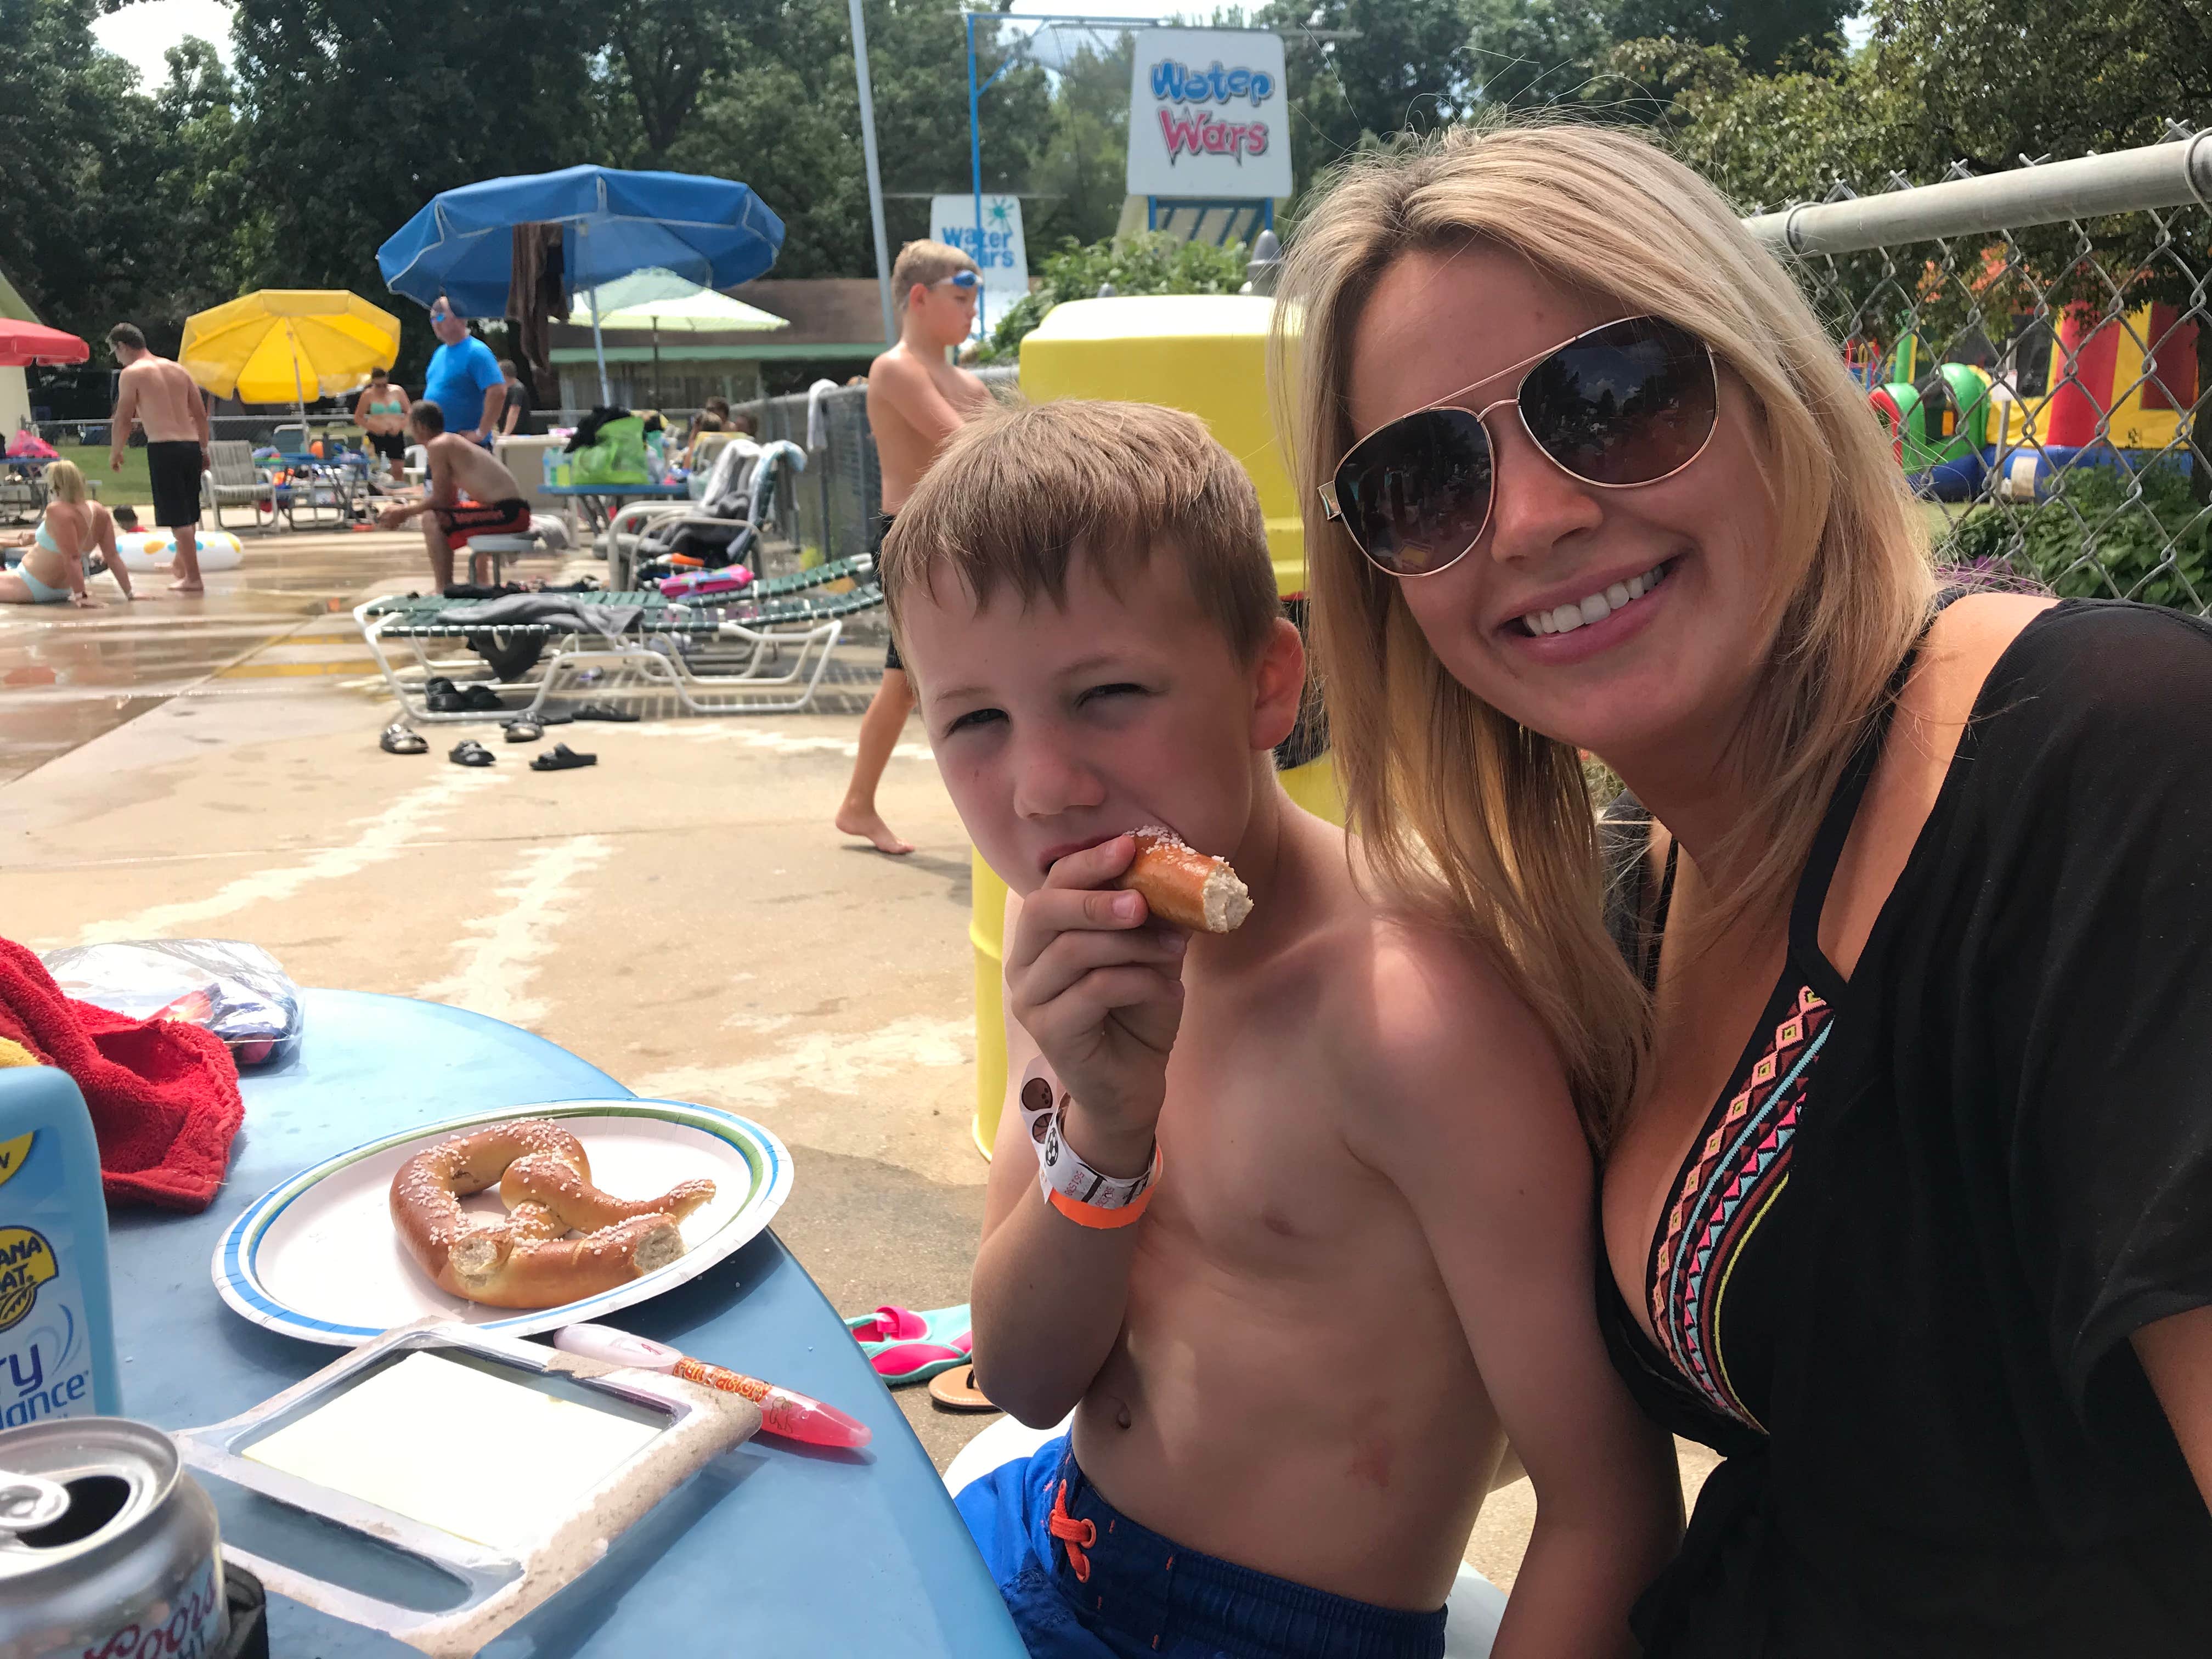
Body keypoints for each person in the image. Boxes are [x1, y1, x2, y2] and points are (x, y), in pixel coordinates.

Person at [1284, 119, 2212, 1655]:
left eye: (1619, 397)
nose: (1529, 519)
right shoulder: (1631, 913)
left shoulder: (2107, 771)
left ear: (1778, 386)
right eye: (1425, 481)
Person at [883, 398, 1679, 1659]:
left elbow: (1612, 1511)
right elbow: (1029, 1378)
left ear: (1268, 681)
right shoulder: (1077, 964)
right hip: (1056, 1532)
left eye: (1108, 694)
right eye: (974, 721)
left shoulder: (1410, 1020)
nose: (1043, 786)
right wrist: (1105, 1129)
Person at [836, 239, 993, 856]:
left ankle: (859, 804)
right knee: (909, 681)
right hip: (911, 538)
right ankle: (859, 804)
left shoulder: (968, 378)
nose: (971, 312)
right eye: (960, 299)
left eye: (975, 300)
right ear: (920, 298)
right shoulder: (896, 368)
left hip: (958, 537)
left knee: (914, 681)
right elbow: (965, 444)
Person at [376, 401, 530, 589]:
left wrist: (404, 512)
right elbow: (449, 499)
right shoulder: (450, 443)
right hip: (510, 511)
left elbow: (442, 499)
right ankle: (457, 584)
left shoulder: (439, 445)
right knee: (442, 515)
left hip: (510, 514)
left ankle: (443, 589)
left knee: (433, 519)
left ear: (420, 427)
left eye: (411, 427)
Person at [105, 323, 210, 595]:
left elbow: (124, 417)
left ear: (122, 347)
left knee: (178, 516)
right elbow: (200, 415)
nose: (117, 358)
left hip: (165, 448)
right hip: (190, 446)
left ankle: (193, 578)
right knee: (189, 510)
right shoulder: (178, 369)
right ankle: (181, 565)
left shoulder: (132, 374)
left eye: (115, 352)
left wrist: (116, 451)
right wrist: (204, 449)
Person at [1, 461, 138, 607]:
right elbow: (112, 556)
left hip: (30, 582)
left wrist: (81, 597)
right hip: (63, 590)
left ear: (56, 487)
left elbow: (72, 557)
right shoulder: (99, 511)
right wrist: (130, 593)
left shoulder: (58, 510)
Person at [421, 297, 505, 447]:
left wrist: (481, 433)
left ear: (460, 319)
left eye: (440, 316)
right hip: (439, 445)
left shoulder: (477, 351)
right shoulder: (439, 353)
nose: (436, 323)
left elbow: (498, 391)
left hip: (467, 447)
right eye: (432, 319)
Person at [353, 368, 413, 483]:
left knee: (398, 470)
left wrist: (400, 426)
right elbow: (358, 417)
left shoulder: (397, 391)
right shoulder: (368, 394)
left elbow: (409, 412)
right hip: (375, 434)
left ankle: (398, 492)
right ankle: (376, 492)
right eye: (378, 386)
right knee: (374, 469)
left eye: (384, 385)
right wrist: (373, 427)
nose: (381, 389)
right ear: (373, 383)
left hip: (395, 434)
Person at [497, 359, 535, 438]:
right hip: (508, 434)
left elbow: (514, 411)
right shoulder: (504, 389)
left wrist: (506, 433)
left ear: (503, 374)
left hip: (520, 435)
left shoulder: (518, 389)